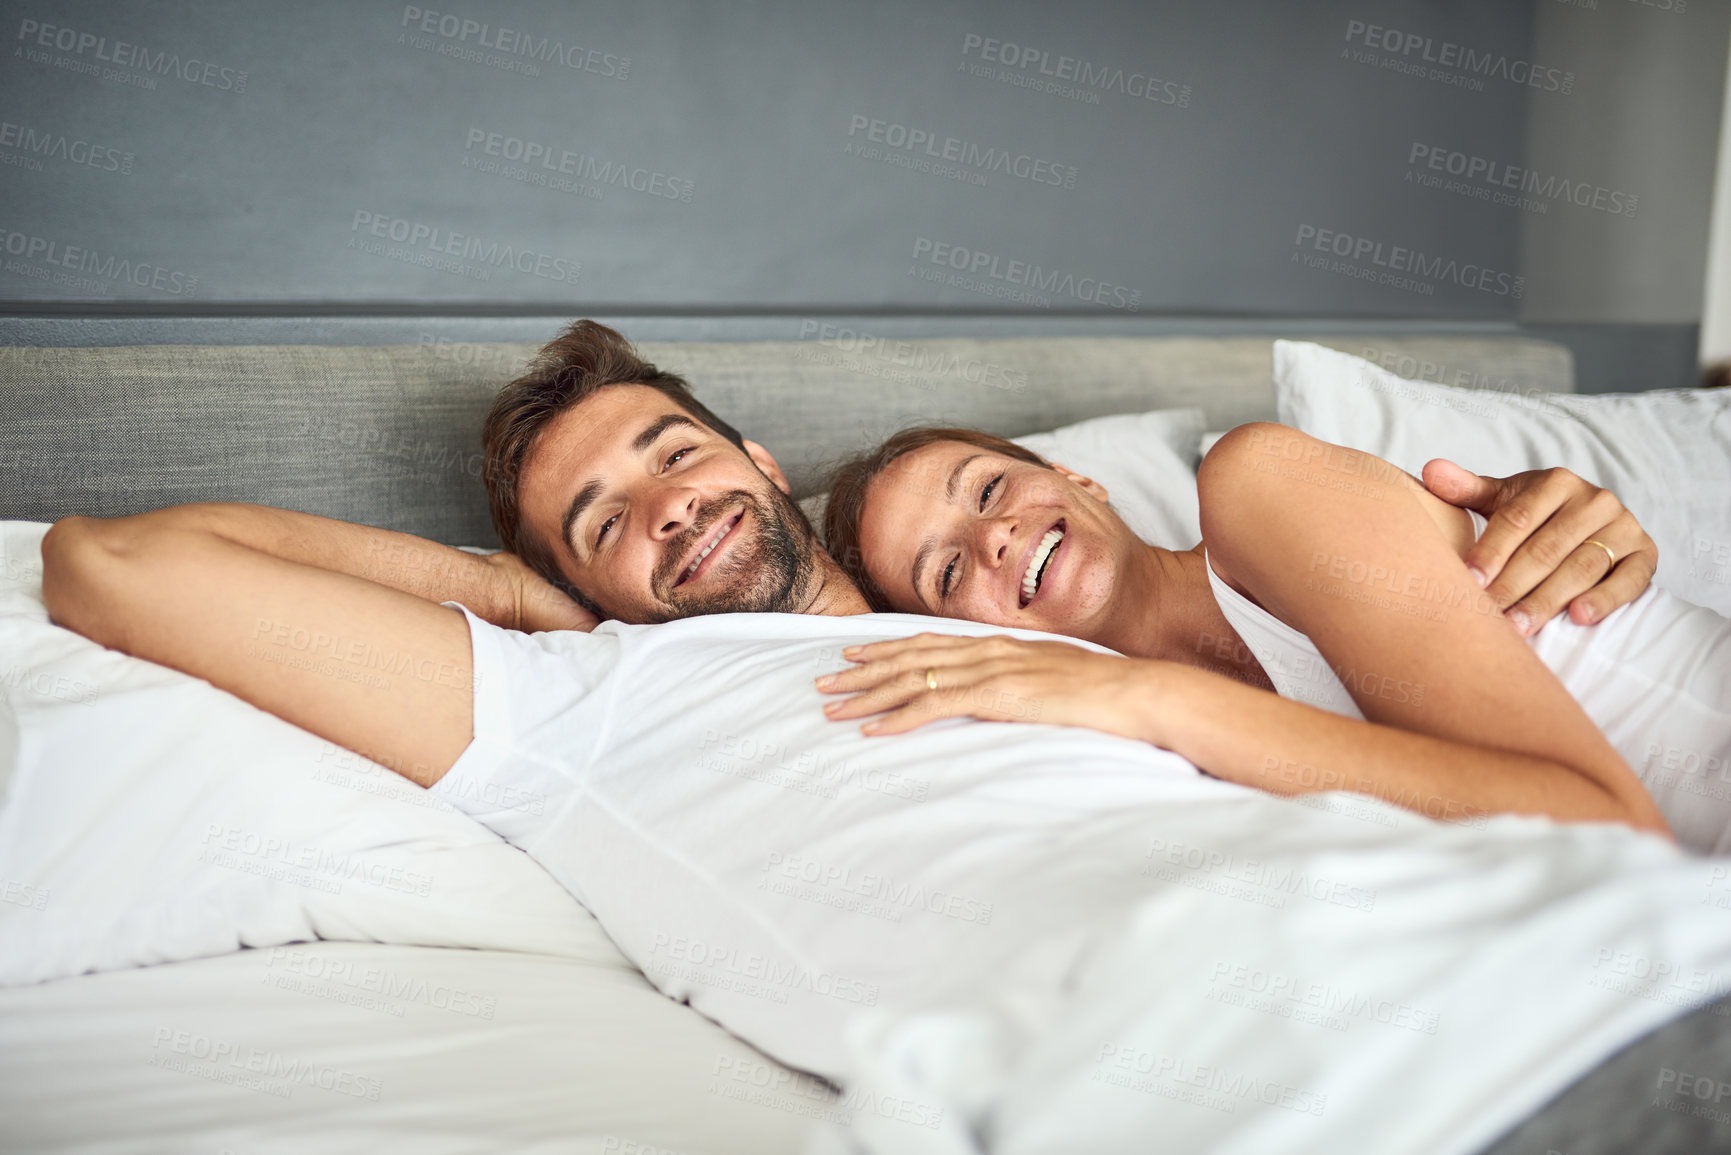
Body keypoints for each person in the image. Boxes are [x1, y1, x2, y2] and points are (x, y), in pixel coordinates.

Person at [817, 422, 1731, 851]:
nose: (994, 538)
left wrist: (1152, 697)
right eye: (945, 573)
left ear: (1078, 478)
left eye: (987, 491)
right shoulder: (1145, 765)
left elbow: (1607, 833)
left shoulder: (1257, 481)